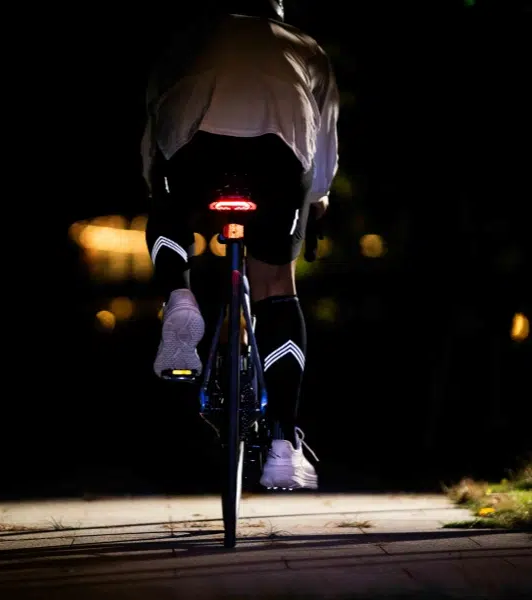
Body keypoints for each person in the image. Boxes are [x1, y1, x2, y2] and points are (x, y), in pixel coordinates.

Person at [141, 0, 339, 490]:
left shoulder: (185, 35)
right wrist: (314, 204)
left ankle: (179, 296)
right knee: (275, 282)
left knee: (169, 213)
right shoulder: (307, 48)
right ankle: (282, 445)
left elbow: (154, 128)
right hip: (278, 153)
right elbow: (326, 143)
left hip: (195, 147)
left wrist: (160, 192)